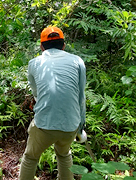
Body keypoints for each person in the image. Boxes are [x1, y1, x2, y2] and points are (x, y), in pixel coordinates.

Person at [19, 26, 86, 180]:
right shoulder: (77, 61)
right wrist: (81, 127)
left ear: (42, 47)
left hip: (44, 125)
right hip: (71, 124)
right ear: (63, 45)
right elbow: (81, 96)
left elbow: (37, 94)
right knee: (64, 155)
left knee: (30, 158)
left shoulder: (34, 63)